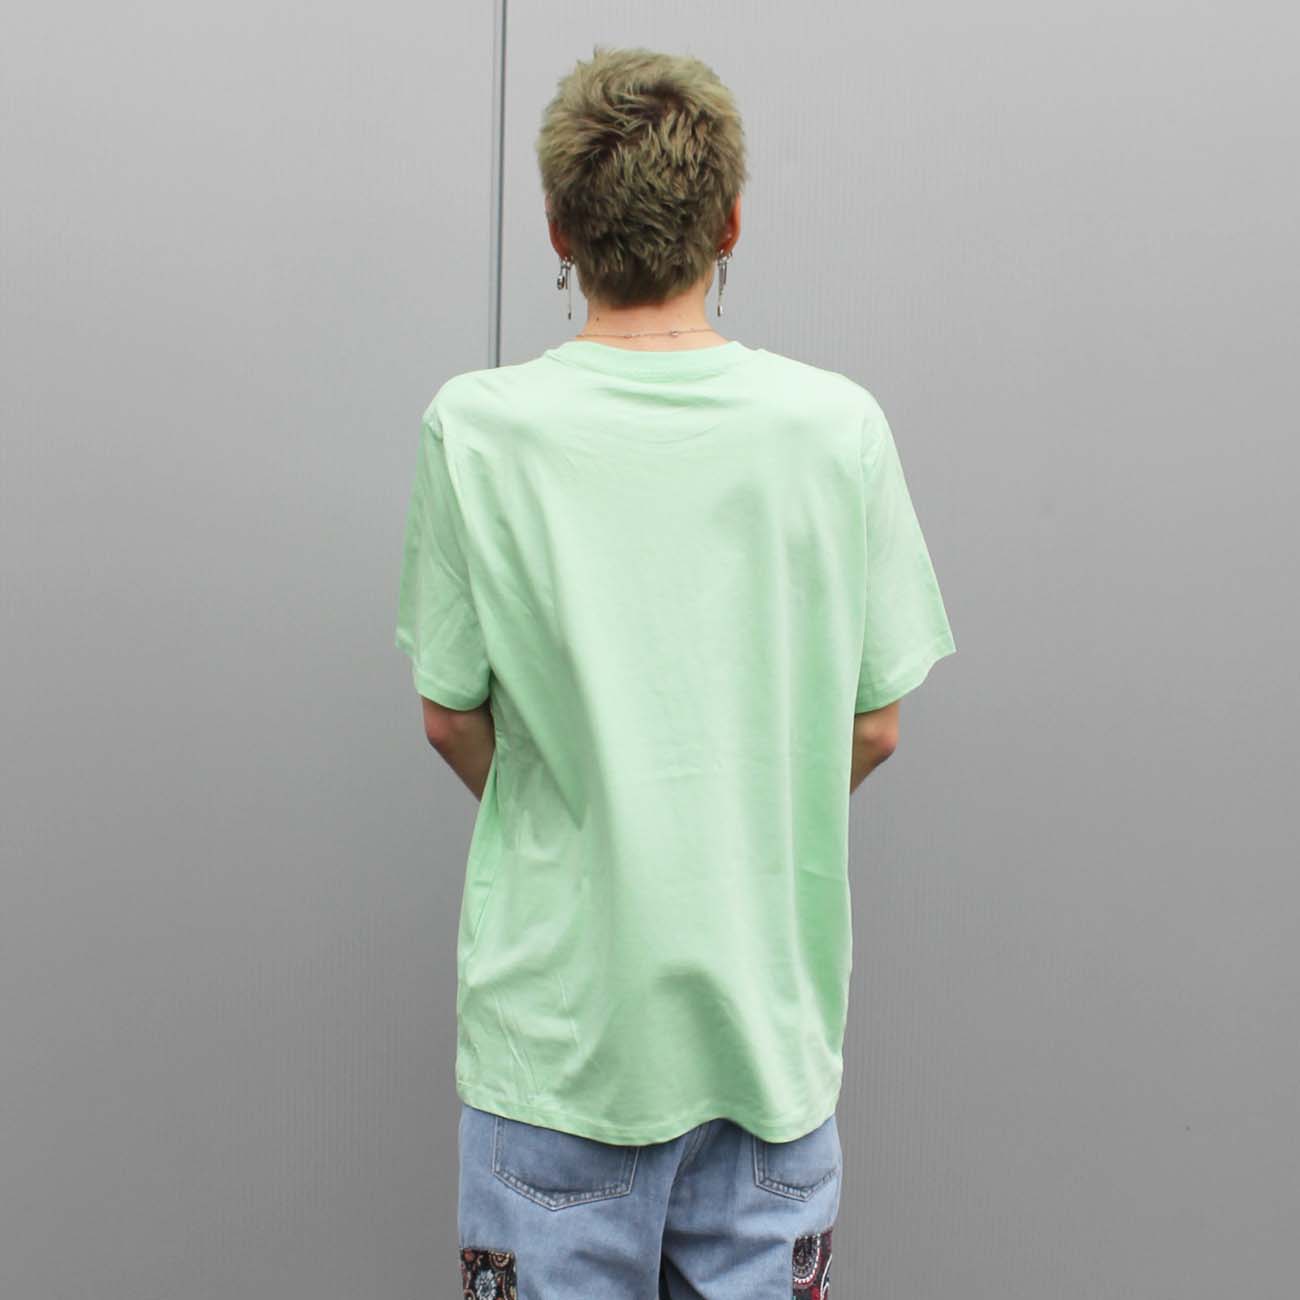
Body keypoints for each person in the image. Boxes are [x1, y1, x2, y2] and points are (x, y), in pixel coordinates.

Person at [394, 44, 956, 1300]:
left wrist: (590, 817)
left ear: (558, 227)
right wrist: (741, 815)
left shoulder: (476, 428)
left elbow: (447, 717)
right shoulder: (836, 428)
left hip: (559, 1049)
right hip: (765, 1050)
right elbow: (875, 726)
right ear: (731, 222)